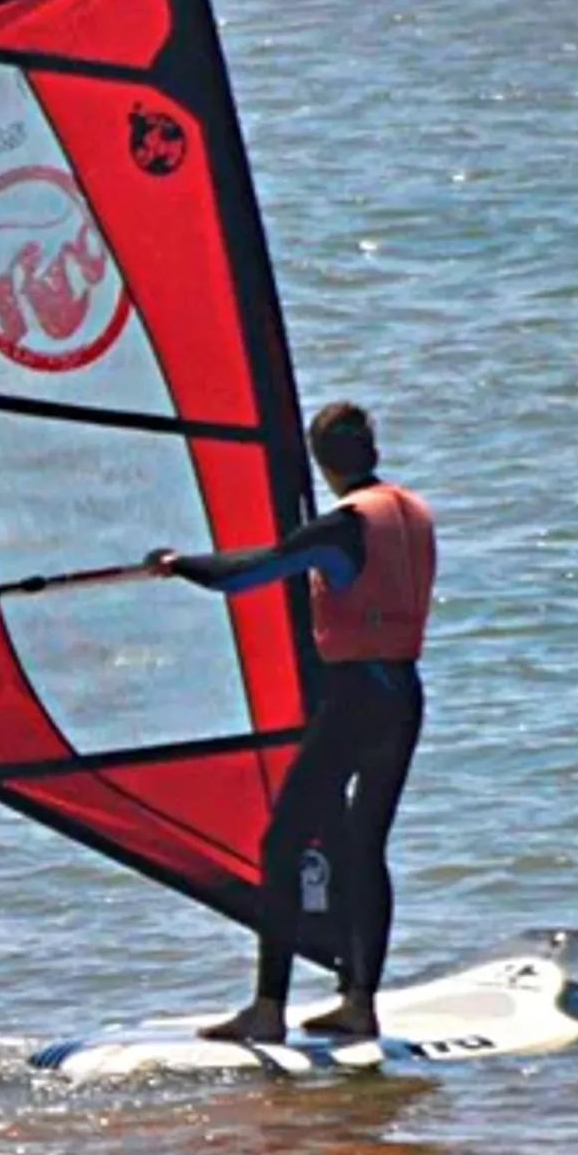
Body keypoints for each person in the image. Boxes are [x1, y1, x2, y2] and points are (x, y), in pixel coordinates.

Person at [142, 400, 436, 1045]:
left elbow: (250, 573)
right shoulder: (412, 512)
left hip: (356, 698)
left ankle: (267, 1009)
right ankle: (358, 1003)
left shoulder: (342, 529)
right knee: (365, 845)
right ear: (372, 450)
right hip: (404, 696)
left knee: (282, 843)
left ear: (320, 460)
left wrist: (179, 563)